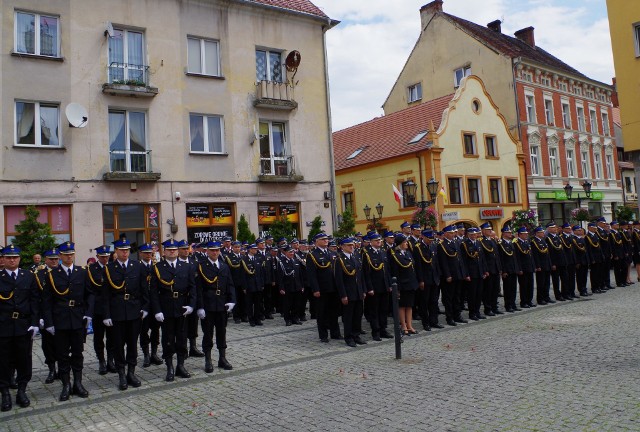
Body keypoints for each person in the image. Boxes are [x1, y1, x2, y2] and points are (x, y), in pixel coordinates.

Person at [42, 241, 94, 401]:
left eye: (71, 254)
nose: (69, 256)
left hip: (78, 318)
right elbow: (47, 301)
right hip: (60, 319)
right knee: (62, 354)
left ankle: (78, 383)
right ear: (60, 256)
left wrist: (88, 313)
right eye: (65, 254)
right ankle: (66, 385)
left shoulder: (82, 272)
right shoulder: (51, 274)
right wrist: (49, 322)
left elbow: (90, 294)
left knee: (78, 353)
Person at [102, 238, 149, 391]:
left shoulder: (137, 266)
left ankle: (131, 372)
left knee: (132, 344)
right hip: (116, 312)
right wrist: (106, 314)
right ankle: (121, 373)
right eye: (121, 250)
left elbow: (144, 289)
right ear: (116, 251)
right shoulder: (109, 268)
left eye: (127, 250)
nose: (124, 252)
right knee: (118, 345)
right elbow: (105, 295)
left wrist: (145, 307)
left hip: (134, 310)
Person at [150, 239, 196, 381]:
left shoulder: (186, 266)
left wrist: (191, 305)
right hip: (166, 307)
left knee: (182, 338)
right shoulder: (158, 267)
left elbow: (192, 288)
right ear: (164, 252)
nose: (172, 251)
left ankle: (180, 365)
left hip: (182, 307)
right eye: (169, 249)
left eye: (174, 249)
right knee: (168, 339)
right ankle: (169, 367)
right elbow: (153, 291)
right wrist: (157, 310)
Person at [0, 245, 39, 412]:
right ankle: (5, 393)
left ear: (19, 259)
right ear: (3, 259)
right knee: (2, 361)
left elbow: (35, 300)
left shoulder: (28, 276)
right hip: (3, 326)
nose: (12, 259)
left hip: (23, 326)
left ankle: (22, 390)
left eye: (15, 257)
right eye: (8, 257)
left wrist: (35, 322)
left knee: (24, 359)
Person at [196, 241, 235, 372]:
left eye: (217, 250)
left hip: (222, 304)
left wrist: (232, 301)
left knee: (221, 332)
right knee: (208, 333)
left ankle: (222, 358)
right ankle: (208, 359)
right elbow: (199, 288)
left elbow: (230, 284)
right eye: (212, 250)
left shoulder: (224, 266)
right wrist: (200, 307)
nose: (215, 252)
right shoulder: (201, 266)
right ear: (207, 251)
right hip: (208, 304)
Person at [87, 245, 117, 375]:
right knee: (98, 337)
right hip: (98, 308)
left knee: (112, 337)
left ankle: (111, 360)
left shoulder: (113, 267)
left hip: (111, 308)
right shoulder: (91, 269)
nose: (105, 259)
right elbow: (92, 289)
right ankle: (101, 361)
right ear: (97, 256)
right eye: (102, 256)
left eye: (107, 256)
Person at [307, 232, 341, 343]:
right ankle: (323, 335)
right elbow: (311, 275)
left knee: (334, 312)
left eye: (326, 239)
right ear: (317, 242)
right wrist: (315, 289)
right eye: (323, 239)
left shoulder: (332, 253)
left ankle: (335, 333)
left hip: (333, 288)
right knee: (322, 313)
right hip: (321, 289)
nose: (326, 241)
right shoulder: (312, 255)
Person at [34, 248, 60, 384]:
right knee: (47, 345)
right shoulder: (39, 275)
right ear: (46, 260)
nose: (54, 261)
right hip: (46, 315)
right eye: (51, 259)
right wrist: (40, 317)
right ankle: (51, 369)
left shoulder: (62, 272)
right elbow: (37, 297)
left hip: (61, 314)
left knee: (62, 344)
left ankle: (62, 368)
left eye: (56, 259)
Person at [334, 238, 366, 347]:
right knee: (348, 317)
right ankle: (349, 337)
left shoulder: (355, 257)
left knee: (358, 315)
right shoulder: (340, 260)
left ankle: (356, 335)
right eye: (348, 245)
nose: (351, 247)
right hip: (348, 292)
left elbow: (361, 276)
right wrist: (343, 295)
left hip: (358, 292)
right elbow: (339, 280)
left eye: (352, 245)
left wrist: (363, 290)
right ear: (342, 247)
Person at [362, 233, 393, 339]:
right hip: (374, 287)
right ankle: (376, 331)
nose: (379, 242)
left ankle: (383, 329)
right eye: (376, 240)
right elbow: (366, 273)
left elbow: (387, 270)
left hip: (384, 286)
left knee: (384, 310)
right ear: (370, 242)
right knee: (374, 310)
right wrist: (369, 288)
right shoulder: (366, 253)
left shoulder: (383, 251)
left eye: (379, 240)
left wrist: (389, 284)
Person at [388, 234, 419, 335]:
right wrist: (397, 288)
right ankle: (403, 326)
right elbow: (395, 272)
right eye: (405, 242)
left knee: (409, 306)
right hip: (403, 284)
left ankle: (409, 325)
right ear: (400, 244)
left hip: (411, 283)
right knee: (402, 306)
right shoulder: (395, 255)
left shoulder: (408, 253)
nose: (407, 244)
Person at [177, 240, 203, 358]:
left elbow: (198, 284)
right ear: (178, 250)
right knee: (182, 326)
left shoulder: (194, 264)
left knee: (193, 323)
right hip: (180, 299)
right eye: (183, 249)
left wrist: (198, 302)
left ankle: (193, 347)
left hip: (192, 298)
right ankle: (182, 348)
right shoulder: (175, 263)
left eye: (187, 248)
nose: (186, 251)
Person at [138, 243, 162, 368]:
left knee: (156, 329)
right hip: (143, 305)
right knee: (144, 330)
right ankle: (146, 354)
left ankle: (154, 353)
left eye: (150, 253)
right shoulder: (137, 267)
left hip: (155, 304)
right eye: (146, 253)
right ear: (141, 253)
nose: (148, 255)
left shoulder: (156, 267)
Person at [437, 225, 467, 326]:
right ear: (445, 234)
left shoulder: (456, 242)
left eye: (453, 233)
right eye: (450, 233)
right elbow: (443, 262)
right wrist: (447, 275)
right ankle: (449, 317)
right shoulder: (442, 245)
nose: (452, 234)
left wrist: (463, 272)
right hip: (450, 275)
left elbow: (460, 260)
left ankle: (457, 315)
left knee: (457, 296)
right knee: (449, 298)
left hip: (458, 273)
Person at [414, 229, 442, 330]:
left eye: (432, 238)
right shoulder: (418, 248)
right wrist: (420, 280)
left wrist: (438, 276)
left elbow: (436, 262)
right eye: (429, 239)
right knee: (424, 302)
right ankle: (425, 323)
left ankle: (434, 321)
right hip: (425, 279)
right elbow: (418, 266)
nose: (431, 240)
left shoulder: (434, 245)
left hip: (434, 277)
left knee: (434, 301)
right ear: (423, 237)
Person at [278, 245, 304, 326]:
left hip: (297, 286)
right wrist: (281, 288)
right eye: (290, 252)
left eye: (292, 252)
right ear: (285, 252)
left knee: (296, 304)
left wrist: (302, 286)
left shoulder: (296, 261)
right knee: (287, 305)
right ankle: (287, 319)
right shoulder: (282, 262)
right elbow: (280, 277)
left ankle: (295, 318)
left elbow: (300, 275)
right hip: (287, 287)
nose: (292, 253)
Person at [479, 223, 502, 316]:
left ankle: (494, 307)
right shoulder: (481, 241)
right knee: (488, 290)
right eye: (487, 229)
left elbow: (497, 256)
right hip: (489, 269)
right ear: (483, 231)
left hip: (495, 268)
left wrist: (499, 268)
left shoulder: (492, 240)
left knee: (495, 290)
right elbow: (482, 258)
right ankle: (488, 309)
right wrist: (485, 270)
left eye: (490, 229)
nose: (490, 231)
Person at [242, 243, 265, 327]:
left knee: (258, 303)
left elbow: (261, 273)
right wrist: (244, 287)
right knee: (249, 304)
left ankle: (257, 319)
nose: (256, 250)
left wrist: (262, 284)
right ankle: (251, 319)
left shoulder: (258, 259)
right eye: (254, 249)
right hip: (249, 285)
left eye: (256, 249)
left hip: (258, 285)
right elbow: (243, 275)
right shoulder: (244, 260)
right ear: (250, 250)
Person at [498, 226, 520, 312]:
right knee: (507, 289)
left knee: (513, 288)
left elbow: (514, 257)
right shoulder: (500, 244)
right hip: (507, 270)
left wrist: (516, 268)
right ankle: (508, 305)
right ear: (503, 233)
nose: (510, 234)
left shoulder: (511, 243)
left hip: (513, 269)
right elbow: (501, 259)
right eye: (508, 232)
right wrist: (503, 270)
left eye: (510, 232)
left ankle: (513, 304)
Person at [546, 222, 569, 302]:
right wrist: (552, 263)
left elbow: (562, 250)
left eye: (555, 227)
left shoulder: (558, 237)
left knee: (565, 278)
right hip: (555, 262)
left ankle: (565, 294)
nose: (555, 229)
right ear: (548, 229)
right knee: (556, 281)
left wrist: (565, 261)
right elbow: (550, 253)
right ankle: (558, 295)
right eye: (552, 227)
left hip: (562, 261)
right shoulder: (548, 238)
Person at [514, 227, 535, 309]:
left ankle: (529, 300)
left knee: (530, 285)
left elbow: (531, 256)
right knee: (524, 286)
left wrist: (533, 266)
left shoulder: (527, 242)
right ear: (519, 235)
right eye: (524, 234)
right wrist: (519, 269)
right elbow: (517, 258)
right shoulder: (517, 243)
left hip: (529, 267)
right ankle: (524, 302)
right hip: (523, 268)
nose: (526, 235)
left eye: (526, 233)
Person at [531, 226, 550, 306]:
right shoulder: (534, 242)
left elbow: (547, 254)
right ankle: (540, 298)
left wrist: (550, 264)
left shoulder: (543, 240)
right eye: (541, 232)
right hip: (540, 266)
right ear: (537, 233)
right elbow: (535, 256)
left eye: (543, 232)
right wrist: (537, 266)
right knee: (541, 283)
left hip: (546, 264)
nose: (543, 233)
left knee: (547, 282)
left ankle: (546, 297)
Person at [572, 225, 590, 296]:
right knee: (580, 276)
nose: (580, 231)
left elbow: (586, 250)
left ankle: (584, 288)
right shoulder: (574, 239)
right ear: (574, 231)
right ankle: (581, 290)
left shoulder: (583, 239)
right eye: (578, 230)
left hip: (585, 260)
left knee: (584, 276)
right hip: (579, 261)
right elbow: (574, 252)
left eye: (580, 230)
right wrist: (577, 262)